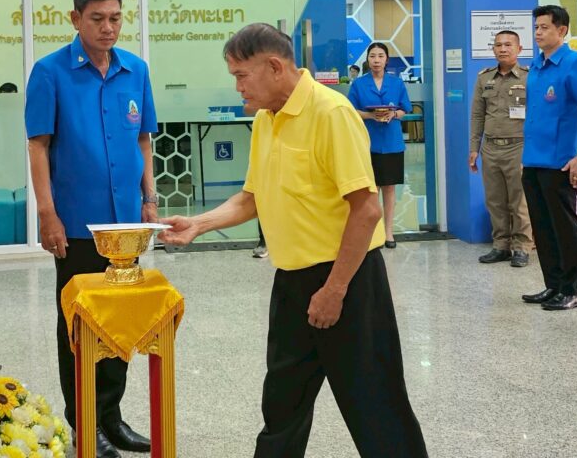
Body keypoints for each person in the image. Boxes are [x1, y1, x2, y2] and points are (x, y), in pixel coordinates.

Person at [160, 24, 427, 458]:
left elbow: (367, 210)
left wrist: (335, 290)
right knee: (282, 405)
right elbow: (251, 197)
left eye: (241, 75)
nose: (237, 87)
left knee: (377, 406)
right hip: (292, 282)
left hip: (348, 281)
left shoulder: (331, 113)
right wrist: (198, 224)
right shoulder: (266, 120)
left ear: (274, 67)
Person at [25, 0, 157, 458]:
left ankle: (111, 416)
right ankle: (84, 423)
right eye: (97, 18)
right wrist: (47, 214)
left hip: (125, 226)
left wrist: (149, 199)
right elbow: (38, 146)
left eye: (115, 18)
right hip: (77, 224)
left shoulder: (135, 70)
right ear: (75, 19)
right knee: (80, 326)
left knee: (120, 322)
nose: (108, 27)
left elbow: (143, 140)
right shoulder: (50, 73)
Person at [520, 5, 577, 310]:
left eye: (544, 27)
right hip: (532, 160)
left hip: (560, 160)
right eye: (536, 27)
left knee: (564, 227)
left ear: (561, 30)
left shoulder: (574, 63)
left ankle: (572, 289)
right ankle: (553, 285)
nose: (538, 33)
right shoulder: (536, 65)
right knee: (542, 226)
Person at [469, 30, 533, 267]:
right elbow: (477, 115)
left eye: (508, 45)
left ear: (519, 49)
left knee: (519, 200)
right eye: (498, 45)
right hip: (490, 147)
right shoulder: (484, 78)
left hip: (519, 146)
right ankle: (501, 245)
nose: (502, 49)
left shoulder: (529, 77)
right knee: (495, 200)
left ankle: (522, 247)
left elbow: (537, 115)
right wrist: (474, 148)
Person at [347, 42, 412, 247]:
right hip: (368, 142)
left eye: (380, 56)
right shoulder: (358, 84)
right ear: (367, 59)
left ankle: (388, 232)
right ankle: (373, 234)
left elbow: (405, 108)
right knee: (371, 189)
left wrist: (394, 114)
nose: (376, 60)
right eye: (373, 56)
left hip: (392, 142)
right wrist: (370, 116)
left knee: (389, 188)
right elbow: (350, 110)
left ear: (386, 59)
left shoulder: (396, 83)